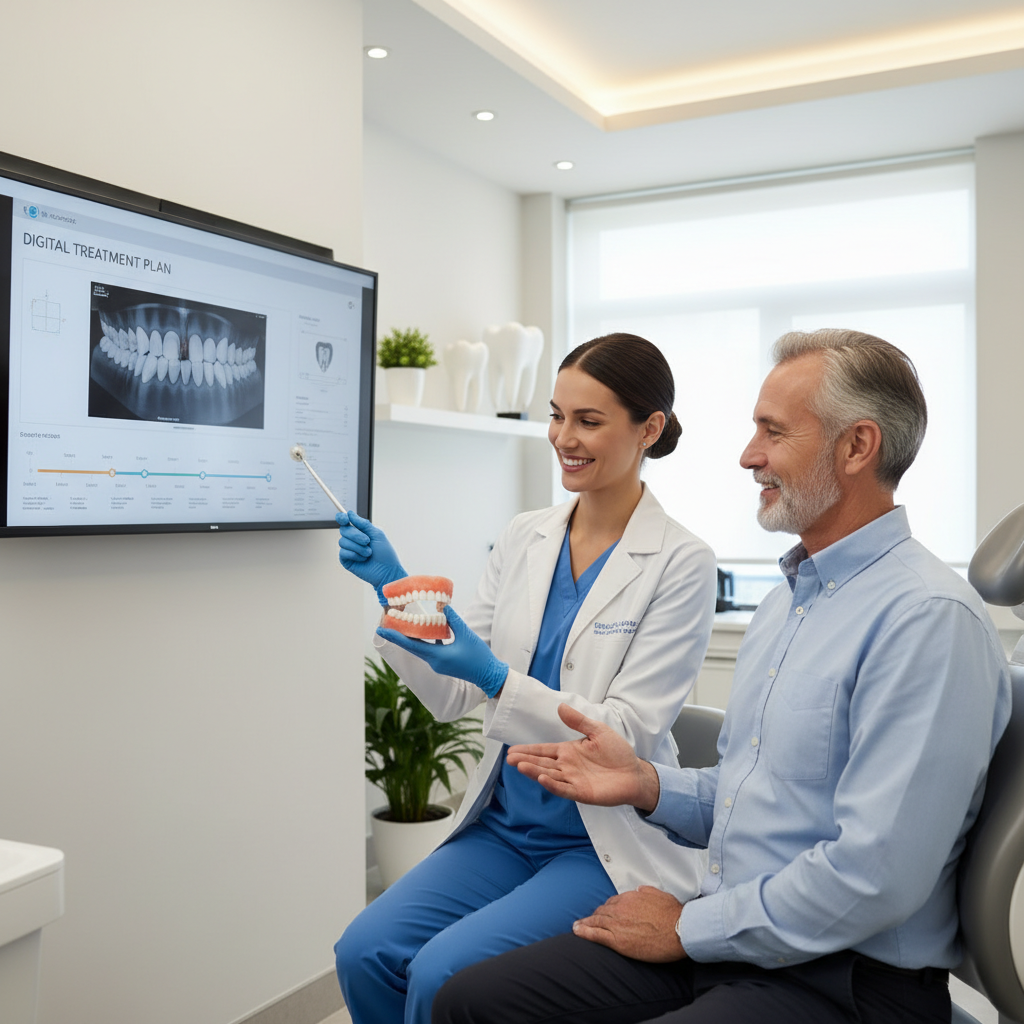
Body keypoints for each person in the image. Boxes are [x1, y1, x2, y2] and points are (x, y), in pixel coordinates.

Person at [432, 328, 1013, 1024]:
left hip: (844, 975)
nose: (748, 455)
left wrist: (685, 929)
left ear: (857, 446)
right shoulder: (787, 602)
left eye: (773, 431)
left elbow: (874, 877)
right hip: (734, 933)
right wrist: (646, 784)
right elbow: (749, 792)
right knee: (471, 999)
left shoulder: (926, 620)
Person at [333, 333, 718, 1024]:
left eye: (589, 421)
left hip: (596, 840)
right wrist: (395, 589)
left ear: (649, 429)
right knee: (364, 950)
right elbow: (453, 691)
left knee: (443, 976)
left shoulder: (682, 562)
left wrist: (494, 674)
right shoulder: (525, 535)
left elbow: (625, 732)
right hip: (503, 826)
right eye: (556, 414)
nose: (562, 437)